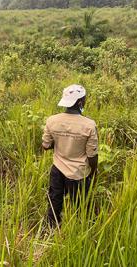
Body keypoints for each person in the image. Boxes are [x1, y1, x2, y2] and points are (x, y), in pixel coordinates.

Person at [42, 84, 98, 226]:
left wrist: (60, 141)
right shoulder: (89, 125)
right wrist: (93, 172)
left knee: (55, 201)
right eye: (84, 100)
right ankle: (83, 230)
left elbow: (45, 146)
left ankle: (51, 229)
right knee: (81, 206)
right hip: (79, 172)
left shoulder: (52, 120)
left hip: (57, 169)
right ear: (80, 102)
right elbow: (92, 155)